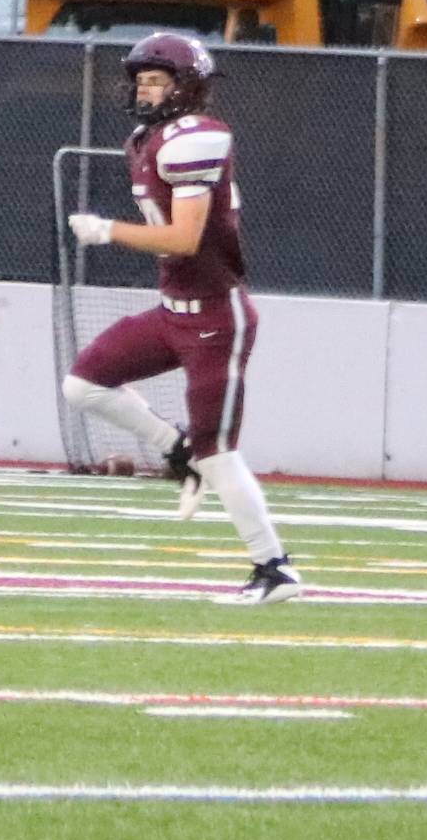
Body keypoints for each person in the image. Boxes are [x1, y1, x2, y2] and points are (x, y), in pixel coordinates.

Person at [62, 33, 301, 604]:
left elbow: (185, 237)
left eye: (155, 80)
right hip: (172, 313)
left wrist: (109, 230)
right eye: (140, 81)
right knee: (84, 385)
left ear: (186, 85)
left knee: (219, 450)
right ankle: (176, 452)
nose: (144, 91)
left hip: (217, 318)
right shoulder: (150, 138)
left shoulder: (194, 140)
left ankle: (275, 568)